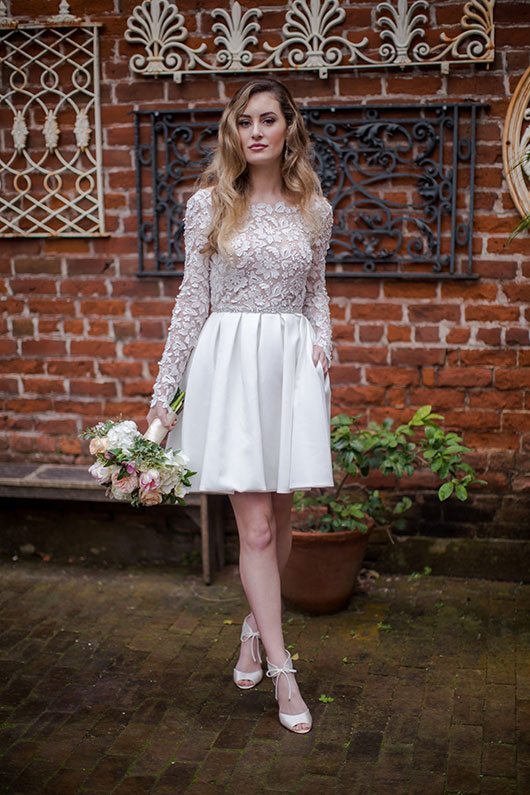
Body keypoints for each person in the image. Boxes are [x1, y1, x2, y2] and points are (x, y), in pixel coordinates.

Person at [146, 77, 334, 734]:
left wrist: (324, 342)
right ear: (235, 132)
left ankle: (256, 629)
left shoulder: (315, 208)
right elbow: (190, 306)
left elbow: (317, 292)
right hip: (230, 365)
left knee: (280, 519)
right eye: (244, 121)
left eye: (267, 120)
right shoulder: (209, 207)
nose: (255, 131)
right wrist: (159, 411)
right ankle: (285, 672)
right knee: (253, 527)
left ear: (288, 130)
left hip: (288, 367)